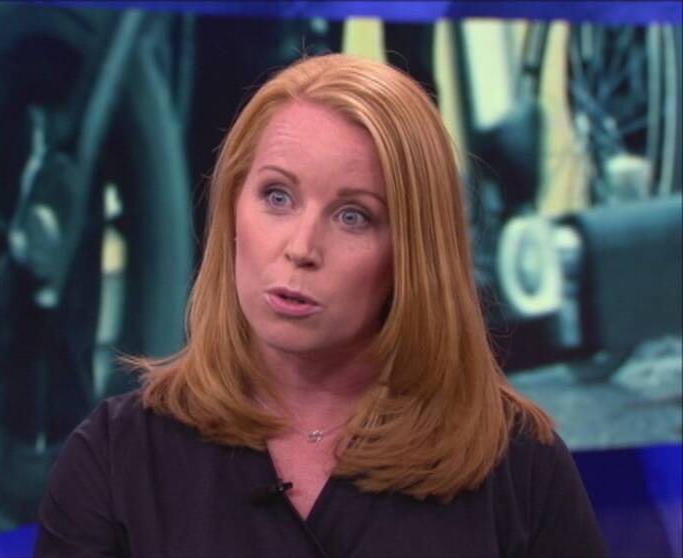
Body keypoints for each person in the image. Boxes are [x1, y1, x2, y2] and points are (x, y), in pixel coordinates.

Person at [35, 53, 608, 558]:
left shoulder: (519, 468)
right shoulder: (116, 458)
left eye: (353, 216)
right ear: (231, 211)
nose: (301, 248)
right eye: (277, 196)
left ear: (412, 253)